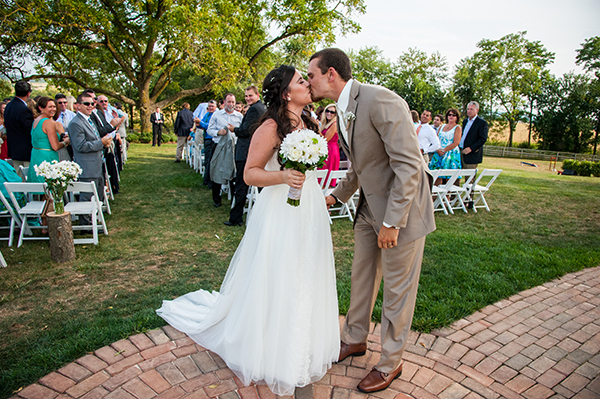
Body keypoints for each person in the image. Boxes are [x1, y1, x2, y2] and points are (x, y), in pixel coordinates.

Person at [157, 65, 340, 396]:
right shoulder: (270, 127)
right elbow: (251, 175)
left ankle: (303, 335)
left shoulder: (309, 122)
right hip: (280, 211)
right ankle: (270, 344)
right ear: (286, 93)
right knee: (279, 273)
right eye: (302, 81)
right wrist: (284, 177)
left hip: (307, 205)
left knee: (306, 270)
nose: (308, 84)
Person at [307, 48, 435, 393]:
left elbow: (409, 165)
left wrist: (393, 222)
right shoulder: (343, 108)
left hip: (401, 211)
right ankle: (354, 338)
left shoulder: (381, 100)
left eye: (312, 75)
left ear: (331, 74)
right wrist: (336, 195)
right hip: (367, 209)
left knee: (397, 290)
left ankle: (391, 362)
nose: (309, 82)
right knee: (361, 275)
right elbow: (363, 164)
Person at [68, 93, 113, 225]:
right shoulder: (76, 123)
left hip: (96, 163)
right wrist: (101, 143)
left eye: (92, 103)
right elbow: (80, 146)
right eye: (86, 104)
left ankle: (93, 219)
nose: (90, 106)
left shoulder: (89, 119)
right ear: (78, 106)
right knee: (87, 196)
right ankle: (85, 224)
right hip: (86, 166)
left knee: (98, 194)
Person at [225, 86, 266, 226]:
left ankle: (236, 218)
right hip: (253, 150)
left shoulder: (255, 109)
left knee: (241, 184)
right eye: (246, 96)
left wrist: (233, 129)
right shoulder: (262, 107)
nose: (248, 98)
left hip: (246, 151)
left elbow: (245, 131)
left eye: (250, 95)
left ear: (257, 95)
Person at [206, 94, 242, 207]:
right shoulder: (217, 115)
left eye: (232, 102)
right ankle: (216, 199)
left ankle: (233, 199)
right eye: (228, 102)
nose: (231, 104)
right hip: (218, 146)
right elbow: (209, 130)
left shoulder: (239, 116)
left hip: (234, 147)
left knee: (233, 172)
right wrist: (218, 132)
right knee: (217, 170)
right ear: (224, 102)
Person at [27, 97, 70, 183]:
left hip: (36, 156)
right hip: (47, 158)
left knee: (39, 188)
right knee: (49, 189)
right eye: (50, 107)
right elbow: (55, 146)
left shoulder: (36, 120)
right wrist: (66, 142)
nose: (53, 109)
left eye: (54, 106)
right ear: (41, 108)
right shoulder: (48, 122)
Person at [4, 81, 34, 180]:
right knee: (26, 177)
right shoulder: (24, 109)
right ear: (28, 93)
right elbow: (29, 130)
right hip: (25, 150)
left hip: (13, 148)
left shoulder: (9, 106)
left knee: (18, 176)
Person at [428, 108, 463, 184]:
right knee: (436, 175)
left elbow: (456, 142)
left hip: (450, 154)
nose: (451, 116)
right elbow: (436, 139)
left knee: (448, 178)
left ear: (457, 117)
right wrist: (438, 149)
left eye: (453, 115)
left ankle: (447, 195)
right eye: (449, 114)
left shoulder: (457, 127)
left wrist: (444, 150)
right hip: (439, 153)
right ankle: (435, 194)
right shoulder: (442, 126)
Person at [460, 101, 488, 170]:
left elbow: (482, 139)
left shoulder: (482, 123)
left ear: (477, 110)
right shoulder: (465, 121)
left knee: (469, 178)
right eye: (468, 109)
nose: (469, 111)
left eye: (471, 109)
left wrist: (471, 148)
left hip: (471, 154)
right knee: (457, 175)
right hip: (460, 151)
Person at [319, 103, 340, 187]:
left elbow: (325, 139)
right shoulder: (326, 123)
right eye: (327, 111)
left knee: (324, 179)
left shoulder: (334, 124)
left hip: (330, 151)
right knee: (321, 179)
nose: (329, 113)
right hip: (326, 150)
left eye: (332, 112)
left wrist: (317, 129)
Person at [198, 100, 217, 188]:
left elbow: (208, 126)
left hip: (211, 139)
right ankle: (206, 180)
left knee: (210, 160)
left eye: (212, 106)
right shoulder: (207, 114)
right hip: (206, 138)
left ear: (216, 107)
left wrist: (200, 123)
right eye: (209, 106)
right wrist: (198, 123)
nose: (210, 108)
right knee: (206, 159)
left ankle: (209, 181)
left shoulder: (215, 115)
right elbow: (201, 124)